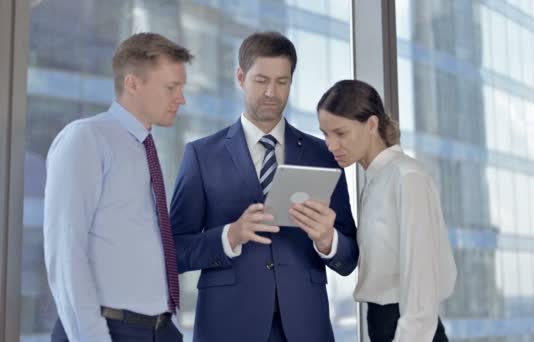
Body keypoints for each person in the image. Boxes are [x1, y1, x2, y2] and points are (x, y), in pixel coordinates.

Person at [169, 31, 358, 342]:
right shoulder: (202, 156)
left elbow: (348, 257)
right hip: (228, 326)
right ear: (240, 77)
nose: (272, 91)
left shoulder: (323, 154)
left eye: (282, 82)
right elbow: (174, 251)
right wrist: (230, 236)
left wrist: (328, 240)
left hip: (305, 327)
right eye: (261, 80)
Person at [43, 32, 193, 342]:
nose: (181, 98)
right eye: (171, 87)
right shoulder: (86, 139)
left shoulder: (146, 149)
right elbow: (66, 252)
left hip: (160, 329)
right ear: (133, 84)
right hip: (108, 330)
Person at [307, 79, 457, 341]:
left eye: (341, 133)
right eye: (325, 134)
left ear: (372, 124)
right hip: (383, 323)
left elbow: (420, 278)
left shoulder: (406, 176)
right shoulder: (376, 179)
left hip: (408, 327)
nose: (331, 145)